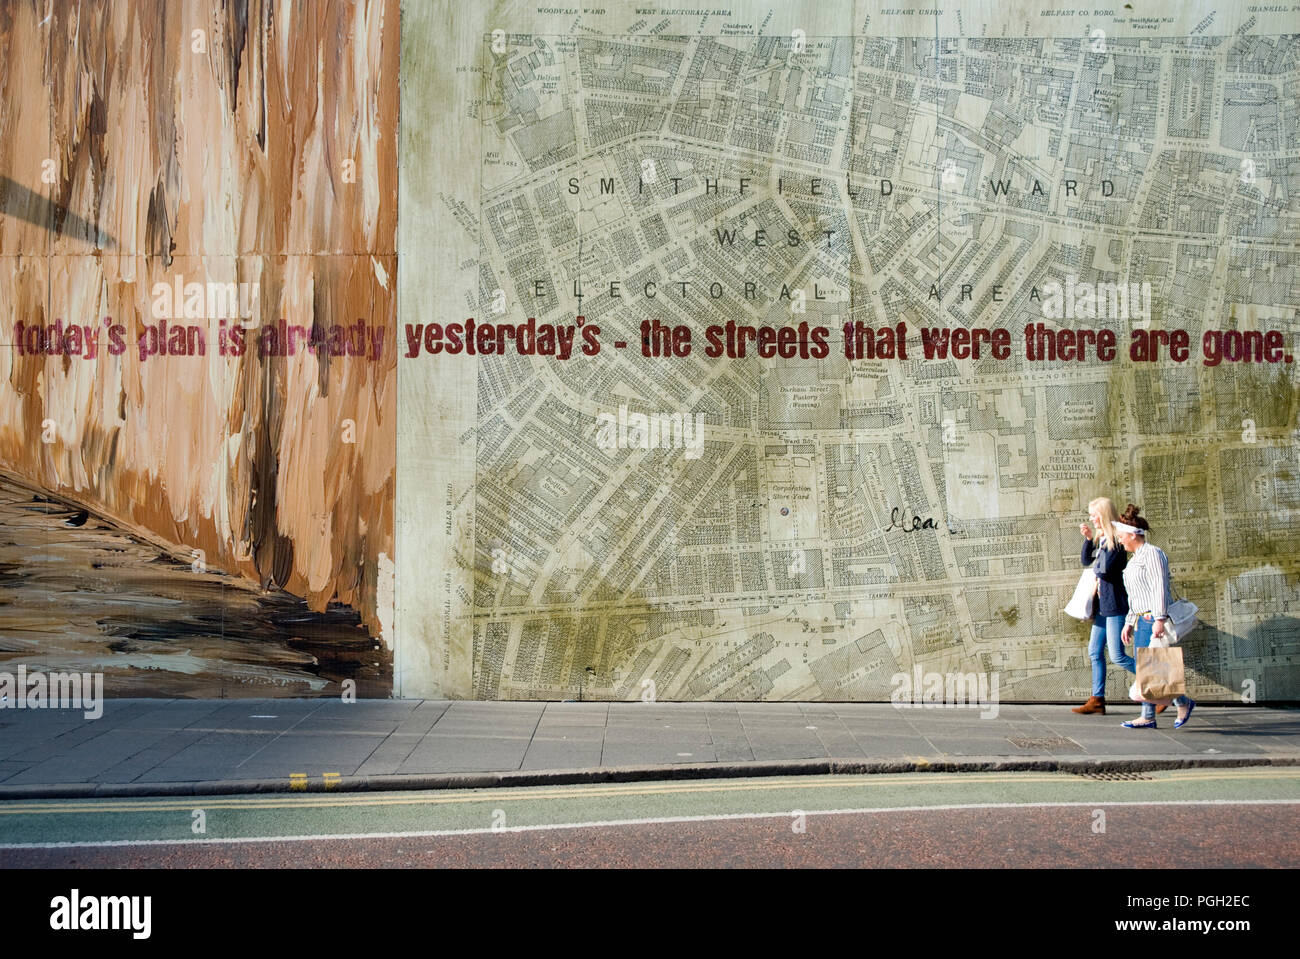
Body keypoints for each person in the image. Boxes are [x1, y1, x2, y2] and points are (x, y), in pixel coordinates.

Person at [1115, 504, 1195, 729]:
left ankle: (1171, 707)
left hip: (1152, 619)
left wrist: (1159, 619)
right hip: (1142, 619)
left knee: (1155, 668)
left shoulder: (1152, 554)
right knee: (1150, 670)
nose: (1120, 541)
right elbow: (1136, 595)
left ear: (1133, 535)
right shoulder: (1135, 559)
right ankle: (1157, 713)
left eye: (1121, 536)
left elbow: (1159, 587)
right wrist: (1129, 622)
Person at [1071, 497, 1132, 714]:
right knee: (1095, 651)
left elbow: (1102, 570)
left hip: (1115, 605)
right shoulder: (1103, 540)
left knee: (1118, 656)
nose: (1091, 519)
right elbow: (1087, 562)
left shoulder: (1116, 542)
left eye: (1094, 514)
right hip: (1103, 607)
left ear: (1103, 515)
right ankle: (1097, 700)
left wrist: (1100, 551)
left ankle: (1157, 684)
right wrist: (1089, 539)